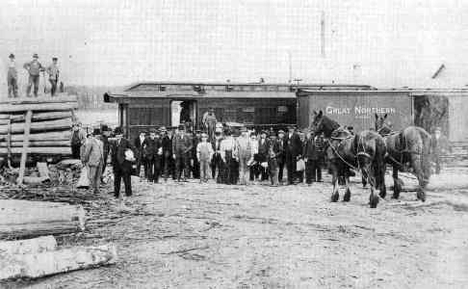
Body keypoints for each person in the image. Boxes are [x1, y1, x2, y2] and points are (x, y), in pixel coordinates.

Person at [111, 127, 135, 199]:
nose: (118, 136)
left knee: (127, 179)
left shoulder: (126, 141)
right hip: (116, 165)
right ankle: (116, 194)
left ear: (122, 135)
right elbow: (113, 154)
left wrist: (133, 158)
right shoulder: (114, 142)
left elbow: (133, 149)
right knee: (116, 180)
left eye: (119, 134)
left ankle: (128, 194)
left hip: (125, 164)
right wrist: (113, 163)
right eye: (116, 134)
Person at [81, 128, 104, 194]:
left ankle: (97, 189)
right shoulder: (90, 142)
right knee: (92, 176)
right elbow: (87, 152)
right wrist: (85, 160)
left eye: (99, 135)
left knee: (98, 176)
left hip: (100, 161)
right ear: (94, 135)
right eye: (97, 135)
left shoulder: (101, 143)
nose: (98, 136)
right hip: (93, 161)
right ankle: (93, 188)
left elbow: (102, 152)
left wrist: (102, 159)